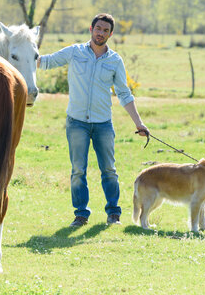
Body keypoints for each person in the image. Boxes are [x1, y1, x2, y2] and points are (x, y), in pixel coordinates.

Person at [37, 13, 149, 227]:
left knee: (109, 169)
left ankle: (113, 214)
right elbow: (47, 62)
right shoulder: (74, 52)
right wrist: (18, 56)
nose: (101, 33)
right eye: (98, 28)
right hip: (76, 122)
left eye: (105, 30)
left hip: (103, 124)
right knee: (78, 170)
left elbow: (124, 94)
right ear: (91, 29)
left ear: (111, 34)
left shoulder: (115, 61)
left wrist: (139, 123)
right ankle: (81, 214)